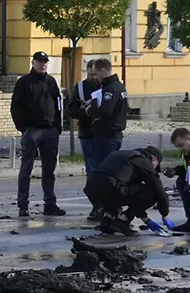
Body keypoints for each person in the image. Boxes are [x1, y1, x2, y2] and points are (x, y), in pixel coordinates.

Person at [10, 51, 65, 218]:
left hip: (50, 131)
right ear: (32, 62)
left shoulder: (51, 82)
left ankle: (50, 204)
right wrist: (23, 128)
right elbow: (16, 107)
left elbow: (58, 105)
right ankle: (23, 205)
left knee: (49, 169)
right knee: (26, 168)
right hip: (32, 130)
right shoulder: (24, 82)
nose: (43, 64)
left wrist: (57, 127)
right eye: (40, 61)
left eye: (45, 62)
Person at [84, 146, 170, 236]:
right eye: (156, 166)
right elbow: (158, 190)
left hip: (92, 190)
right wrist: (165, 215)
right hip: (112, 188)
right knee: (151, 193)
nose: (154, 169)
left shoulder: (121, 155)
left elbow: (133, 199)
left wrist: (147, 221)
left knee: (115, 189)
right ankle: (122, 222)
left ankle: (107, 220)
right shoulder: (142, 160)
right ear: (154, 159)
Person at [66, 59, 102, 218]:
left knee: (107, 171)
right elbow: (71, 110)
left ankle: (109, 205)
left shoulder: (107, 85)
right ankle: (96, 205)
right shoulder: (80, 87)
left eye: (95, 74)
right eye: (90, 74)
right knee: (92, 171)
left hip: (105, 134)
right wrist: (85, 112)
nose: (93, 77)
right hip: (87, 133)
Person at [84, 56, 127, 173]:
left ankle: (107, 191)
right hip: (115, 133)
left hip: (108, 135)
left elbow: (105, 111)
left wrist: (90, 110)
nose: (96, 77)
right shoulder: (119, 86)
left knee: (105, 168)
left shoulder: (111, 89)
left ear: (103, 71)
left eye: (96, 73)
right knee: (111, 166)